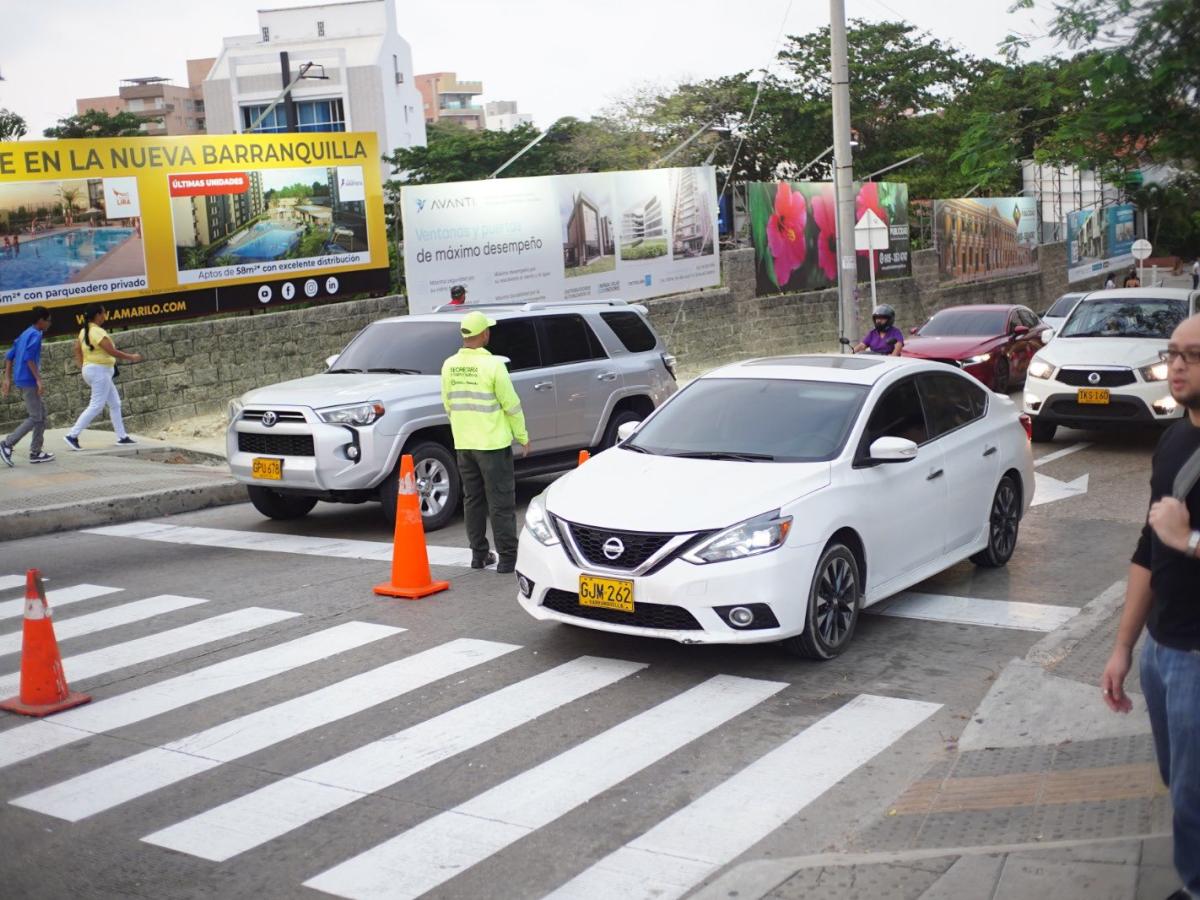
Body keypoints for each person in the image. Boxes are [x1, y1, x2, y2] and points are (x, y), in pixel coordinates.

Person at [1101, 313, 1200, 900]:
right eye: (1173, 353)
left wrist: (1187, 540)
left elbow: (1170, 539)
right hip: (1163, 653)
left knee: (1194, 793)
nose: (1178, 364)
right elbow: (1147, 547)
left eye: (1193, 354)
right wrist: (1122, 649)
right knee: (1179, 783)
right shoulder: (1173, 438)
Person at [441, 311, 529, 574]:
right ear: (483, 334)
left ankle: (479, 555)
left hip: (464, 444)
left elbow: (448, 404)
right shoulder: (493, 366)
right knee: (500, 502)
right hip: (491, 445)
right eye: (488, 329)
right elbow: (511, 405)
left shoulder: (448, 365)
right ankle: (508, 559)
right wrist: (522, 436)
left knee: (473, 500)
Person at [63, 304, 142, 450]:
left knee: (115, 403)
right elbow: (111, 351)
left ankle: (122, 436)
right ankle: (72, 435)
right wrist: (131, 357)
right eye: (104, 313)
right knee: (96, 405)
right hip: (100, 371)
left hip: (95, 370)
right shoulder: (97, 332)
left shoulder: (84, 331)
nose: (105, 315)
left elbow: (76, 349)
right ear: (98, 315)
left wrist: (83, 367)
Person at [0, 306, 55, 466]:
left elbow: (10, 356)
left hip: (21, 379)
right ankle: (7, 444)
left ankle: (36, 452)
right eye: (48, 321)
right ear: (41, 321)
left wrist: (7, 378)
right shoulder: (36, 335)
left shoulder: (25, 333)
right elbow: (29, 359)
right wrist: (38, 380)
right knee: (35, 417)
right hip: (29, 380)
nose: (49, 324)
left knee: (41, 414)